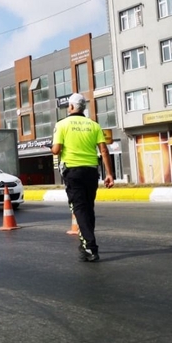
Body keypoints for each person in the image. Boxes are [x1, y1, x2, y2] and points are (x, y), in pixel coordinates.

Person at [51, 93, 114, 262]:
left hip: (73, 172)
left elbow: (56, 150)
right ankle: (85, 243)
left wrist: (52, 146)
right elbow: (104, 151)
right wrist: (109, 174)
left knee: (78, 208)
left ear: (71, 107)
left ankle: (90, 248)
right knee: (88, 207)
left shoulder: (61, 124)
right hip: (91, 172)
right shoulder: (94, 125)